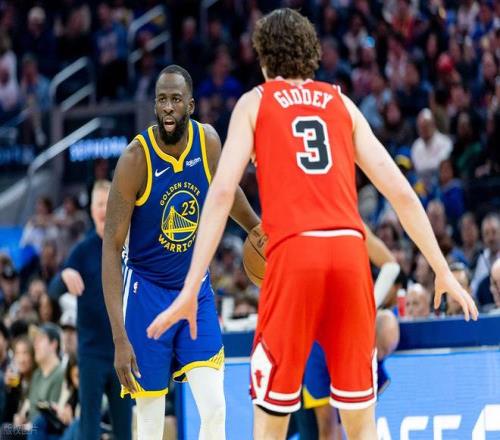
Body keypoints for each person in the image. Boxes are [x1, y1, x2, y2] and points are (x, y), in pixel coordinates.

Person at [146, 9, 477, 440]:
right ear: (310, 54)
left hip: (294, 252)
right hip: (349, 253)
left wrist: (191, 286)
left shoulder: (255, 101)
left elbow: (223, 191)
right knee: (361, 424)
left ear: (264, 59)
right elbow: (400, 192)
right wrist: (442, 269)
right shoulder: (342, 103)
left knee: (271, 422)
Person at [102, 65, 260, 440]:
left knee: (216, 408)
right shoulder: (135, 159)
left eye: (175, 99)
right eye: (162, 100)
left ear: (190, 104)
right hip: (146, 294)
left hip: (193, 289)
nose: (168, 107)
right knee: (151, 421)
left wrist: (257, 228)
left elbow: (226, 191)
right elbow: (111, 247)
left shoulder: (207, 142)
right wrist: (119, 338)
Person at [302, 225, 400, 440]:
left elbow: (391, 265)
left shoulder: (350, 221)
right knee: (327, 426)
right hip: (317, 334)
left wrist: (368, 307)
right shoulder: (303, 225)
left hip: (350, 333)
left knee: (359, 424)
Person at [53, 180, 132, 440]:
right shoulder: (82, 251)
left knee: (124, 429)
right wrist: (64, 274)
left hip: (124, 351)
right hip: (91, 355)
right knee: (89, 428)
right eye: (99, 203)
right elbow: (53, 290)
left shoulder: (130, 247)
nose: (104, 209)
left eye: (109, 203)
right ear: (91, 210)